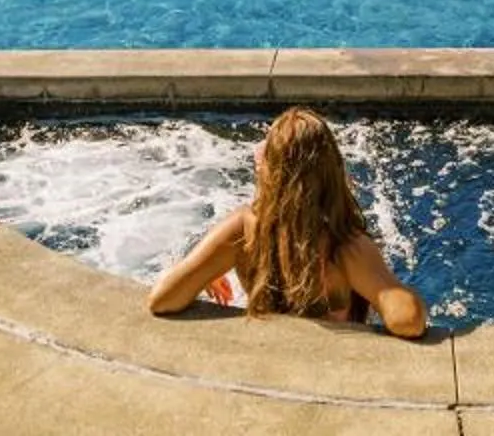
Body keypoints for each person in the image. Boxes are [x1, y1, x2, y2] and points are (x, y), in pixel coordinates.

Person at [145, 107, 428, 339]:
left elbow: (163, 299)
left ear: (271, 173)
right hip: (332, 370)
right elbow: (409, 321)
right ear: (333, 173)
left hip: (269, 364)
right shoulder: (346, 246)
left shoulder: (243, 229)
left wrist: (203, 271)